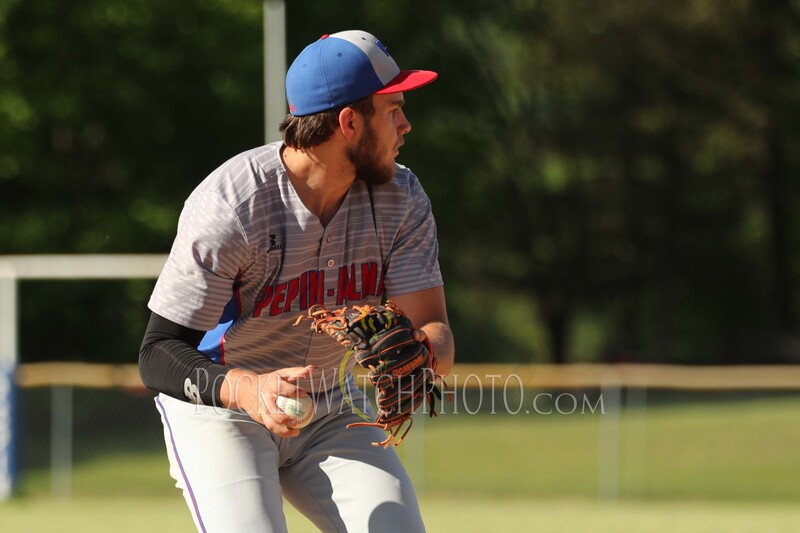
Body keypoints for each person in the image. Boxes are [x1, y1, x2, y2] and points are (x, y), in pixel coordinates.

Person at [138, 29, 455, 532]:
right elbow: (157, 353)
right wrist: (247, 390)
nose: (406, 124)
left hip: (330, 408)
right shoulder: (232, 206)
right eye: (393, 109)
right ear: (350, 122)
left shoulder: (403, 198)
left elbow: (432, 324)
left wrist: (423, 350)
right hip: (226, 411)